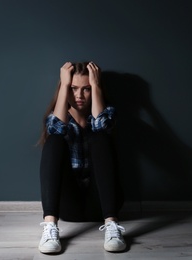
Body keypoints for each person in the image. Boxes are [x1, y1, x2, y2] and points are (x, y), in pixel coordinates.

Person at [37, 61, 126, 254]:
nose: (78, 96)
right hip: (68, 207)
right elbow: (55, 129)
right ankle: (50, 226)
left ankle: (112, 226)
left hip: (102, 205)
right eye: (73, 88)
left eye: (85, 89)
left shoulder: (107, 112)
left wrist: (96, 85)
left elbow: (102, 125)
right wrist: (63, 85)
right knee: (54, 140)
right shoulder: (58, 117)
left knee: (100, 136)